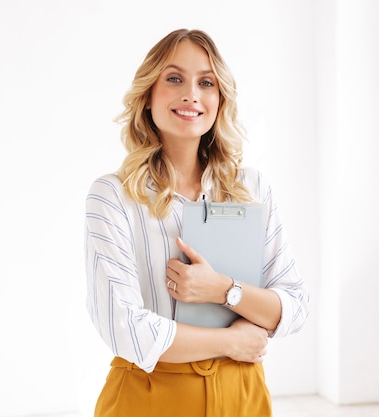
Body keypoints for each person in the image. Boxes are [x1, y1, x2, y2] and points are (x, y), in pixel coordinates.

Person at [84, 28, 309, 417]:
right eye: (174, 79)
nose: (191, 94)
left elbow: (294, 306)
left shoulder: (250, 187)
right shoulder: (112, 196)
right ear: (148, 95)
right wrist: (230, 343)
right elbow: (126, 329)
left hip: (243, 395)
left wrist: (223, 289)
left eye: (206, 82)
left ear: (220, 99)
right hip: (148, 398)